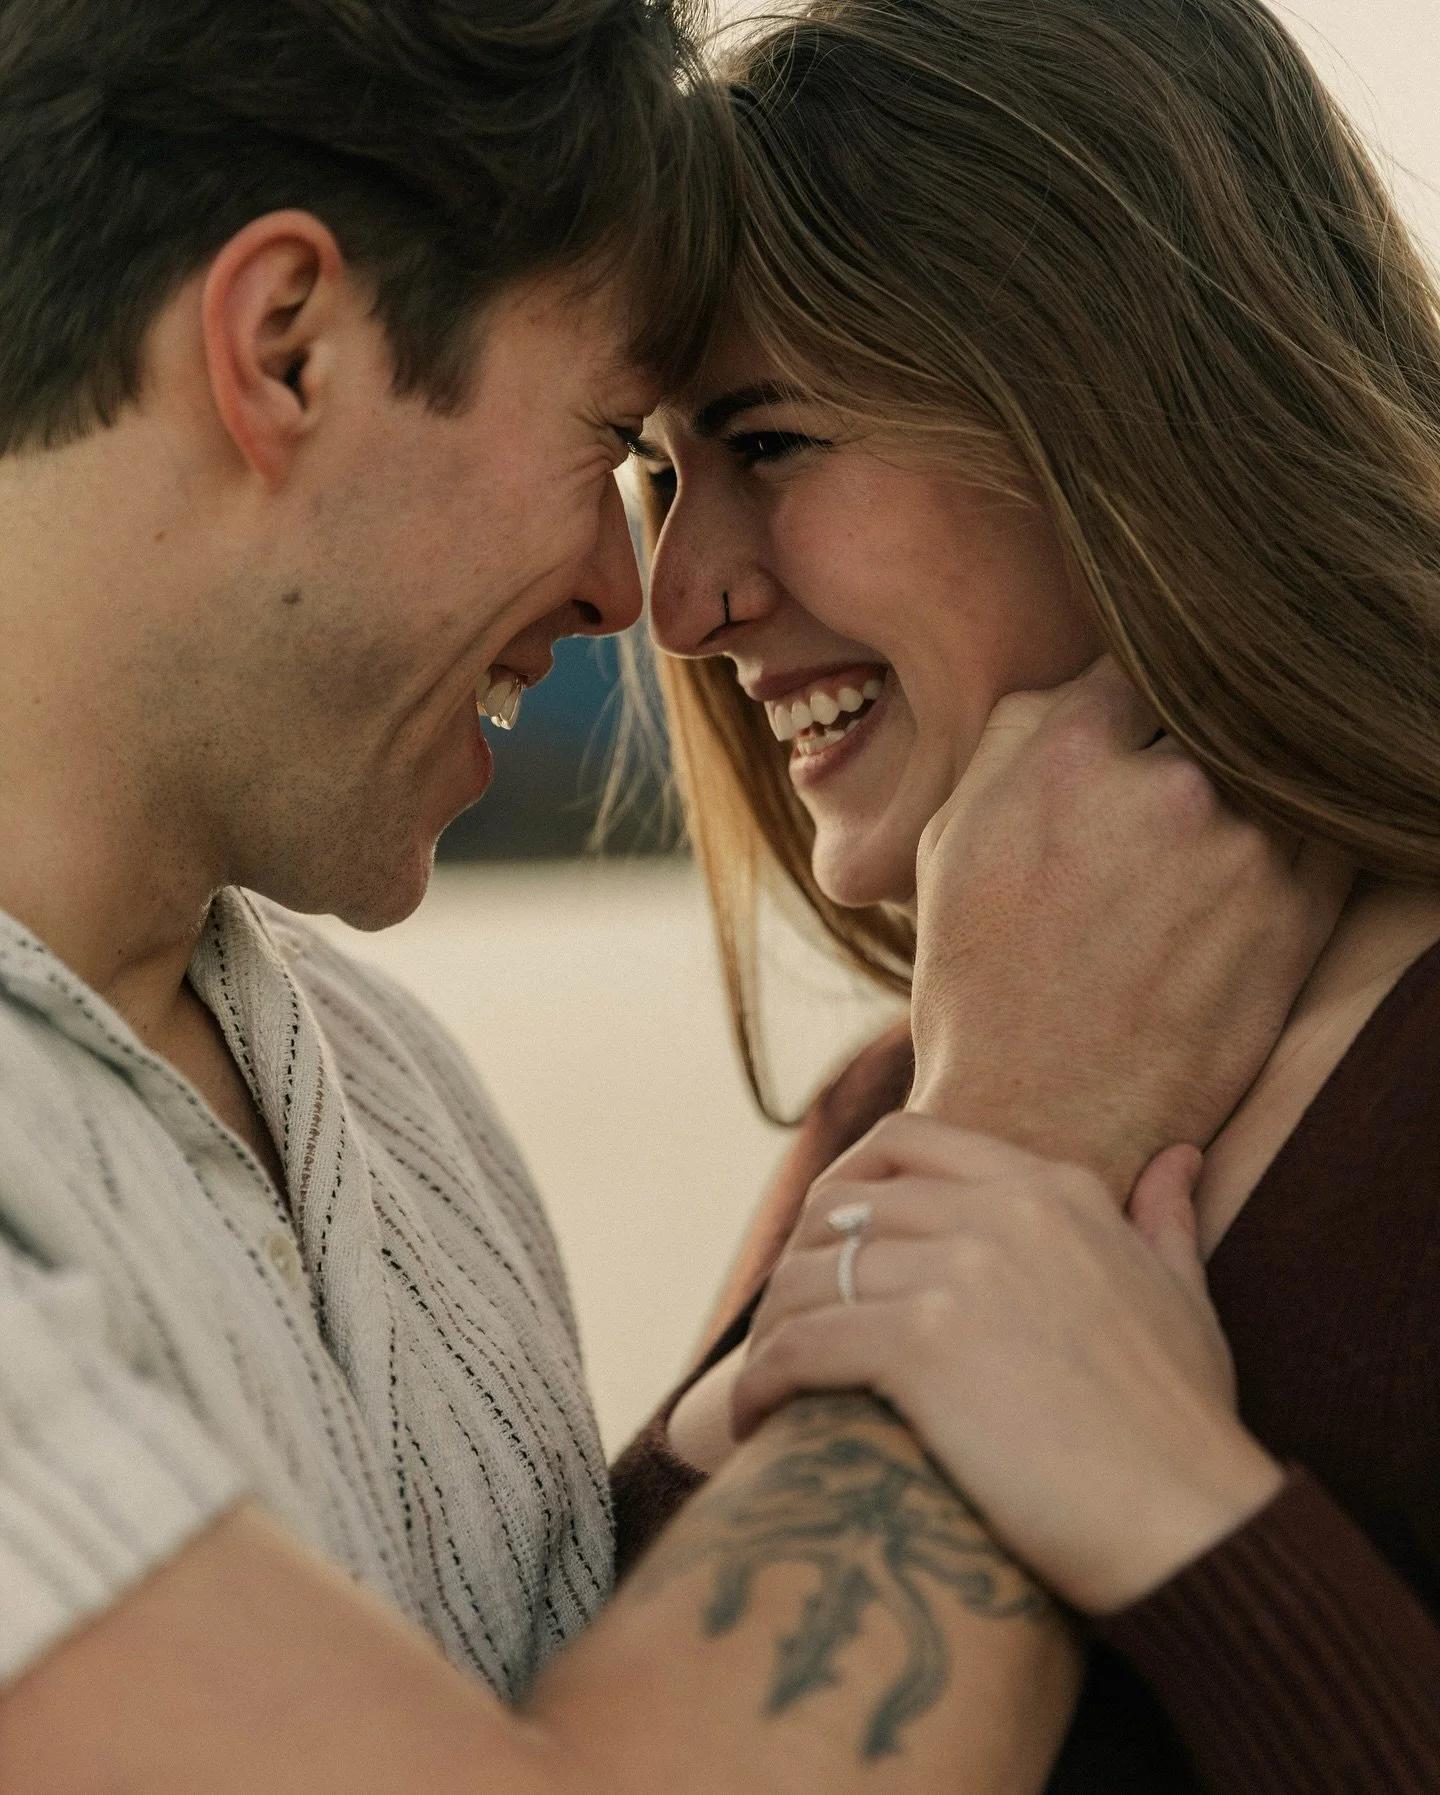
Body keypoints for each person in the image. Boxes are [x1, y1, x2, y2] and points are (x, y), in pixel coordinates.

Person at [0, 0, 1345, 1790]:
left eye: (760, 446)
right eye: (616, 441)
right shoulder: (951, 1102)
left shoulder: (406, 1115)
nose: (642, 599)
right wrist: (1021, 1142)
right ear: (288, 348)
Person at [624, 0, 1440, 1787]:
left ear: (1118, 405)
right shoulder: (900, 1095)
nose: (677, 597)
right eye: (655, 474)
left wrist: (1181, 1519)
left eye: (766, 444)